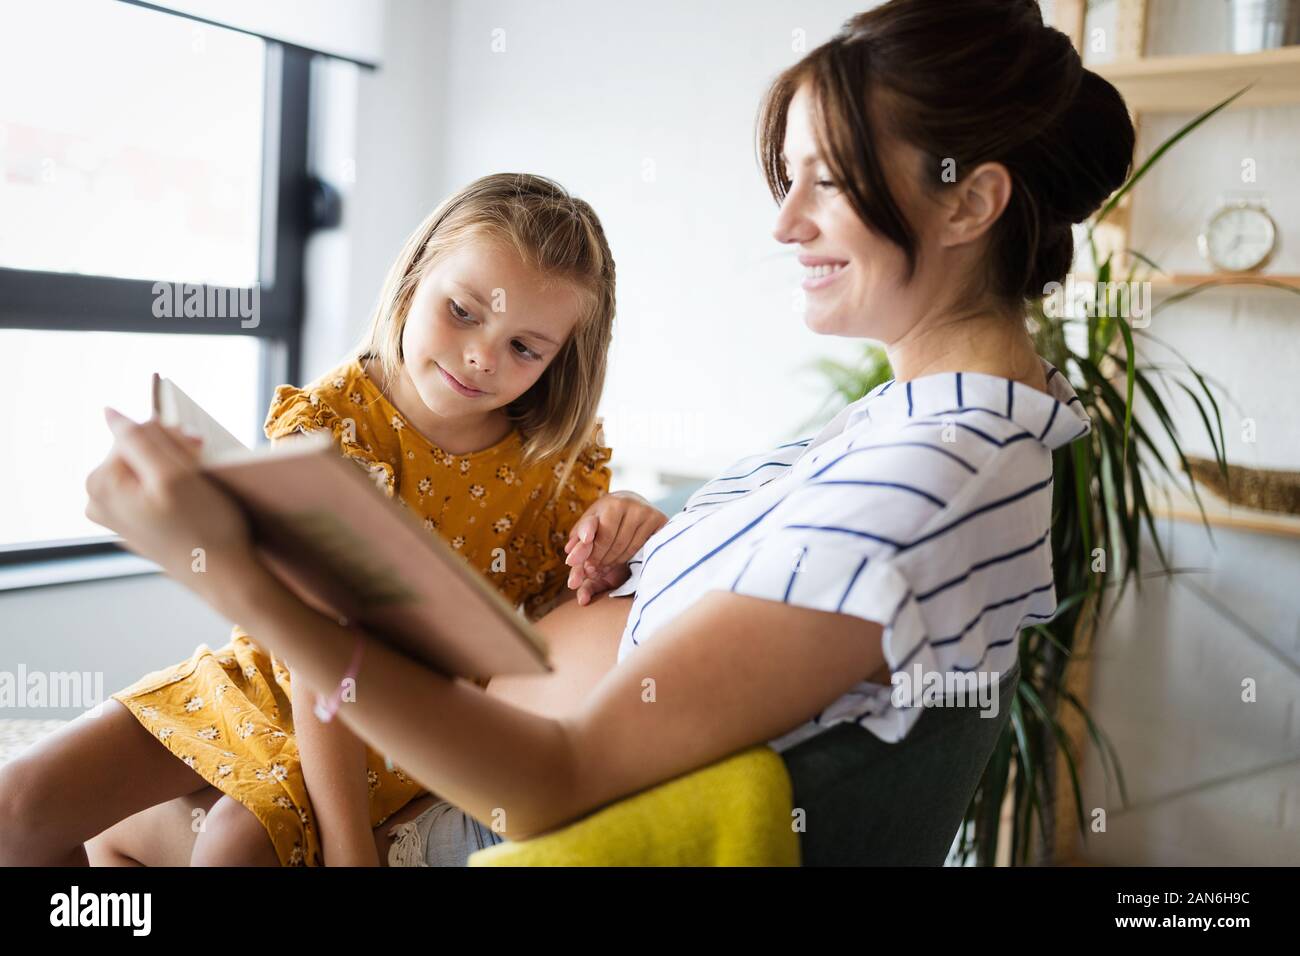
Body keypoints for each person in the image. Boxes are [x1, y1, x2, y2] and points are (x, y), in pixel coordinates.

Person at [2, 0, 1134, 866]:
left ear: (967, 202)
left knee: (112, 835)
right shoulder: (907, 430)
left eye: (825, 182)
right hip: (363, 718)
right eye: (784, 179)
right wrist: (646, 538)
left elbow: (553, 779)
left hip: (423, 776)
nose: (784, 222)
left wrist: (239, 568)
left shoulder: (929, 479)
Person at [0, 173, 667, 867]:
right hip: (273, 675)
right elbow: (307, 646)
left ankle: (142, 841)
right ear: (415, 278)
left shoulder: (560, 460)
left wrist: (624, 529)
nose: (481, 357)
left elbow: (564, 617)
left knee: (230, 847)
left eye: (524, 348)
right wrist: (349, 852)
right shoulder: (331, 423)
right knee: (15, 803)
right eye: (464, 312)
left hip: (394, 719)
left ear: (561, 359)